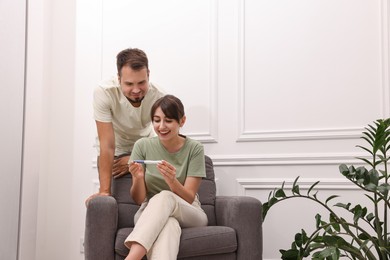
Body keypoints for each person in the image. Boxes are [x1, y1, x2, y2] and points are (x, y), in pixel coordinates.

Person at [124, 95, 208, 260]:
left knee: (165, 196)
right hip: (149, 211)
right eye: (156, 120)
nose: (161, 126)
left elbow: (189, 197)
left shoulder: (195, 149)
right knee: (169, 225)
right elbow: (139, 199)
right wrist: (139, 178)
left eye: (168, 120)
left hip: (188, 210)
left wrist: (172, 182)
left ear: (182, 121)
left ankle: (132, 257)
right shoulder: (142, 146)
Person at [86, 48, 165, 205]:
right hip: (115, 151)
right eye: (129, 84)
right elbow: (107, 144)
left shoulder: (159, 96)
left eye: (142, 82)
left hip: (144, 151)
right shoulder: (104, 92)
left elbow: (167, 142)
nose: (136, 90)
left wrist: (134, 159)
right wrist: (104, 192)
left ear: (148, 74)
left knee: (149, 201)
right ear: (119, 78)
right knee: (117, 201)